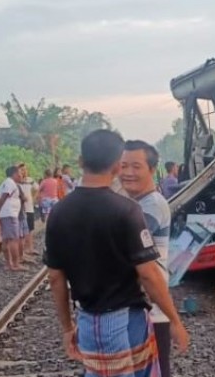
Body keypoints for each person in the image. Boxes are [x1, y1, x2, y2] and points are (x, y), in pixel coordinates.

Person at [46, 130, 189, 377]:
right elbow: (147, 274)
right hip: (128, 317)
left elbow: (55, 278)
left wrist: (68, 327)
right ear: (115, 166)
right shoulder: (127, 210)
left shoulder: (58, 213)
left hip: (92, 318)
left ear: (80, 162)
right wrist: (175, 320)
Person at [121, 140, 174, 377]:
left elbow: (124, 250)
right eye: (123, 166)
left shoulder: (152, 206)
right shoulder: (135, 204)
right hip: (139, 308)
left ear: (152, 170)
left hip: (152, 309)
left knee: (155, 371)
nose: (128, 173)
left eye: (135, 166)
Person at [0, 165, 23, 271]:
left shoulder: (5, 183)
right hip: (9, 214)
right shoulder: (10, 183)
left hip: (6, 214)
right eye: (19, 173)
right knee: (12, 240)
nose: (21, 175)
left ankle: (8, 264)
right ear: (14, 173)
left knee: (6, 240)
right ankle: (15, 264)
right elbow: (3, 198)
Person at [18, 163, 36, 256]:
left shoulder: (30, 180)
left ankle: (30, 248)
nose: (24, 171)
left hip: (30, 208)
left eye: (25, 169)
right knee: (23, 230)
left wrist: (33, 198)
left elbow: (37, 188)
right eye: (21, 169)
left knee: (31, 229)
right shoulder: (17, 182)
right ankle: (23, 250)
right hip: (21, 209)